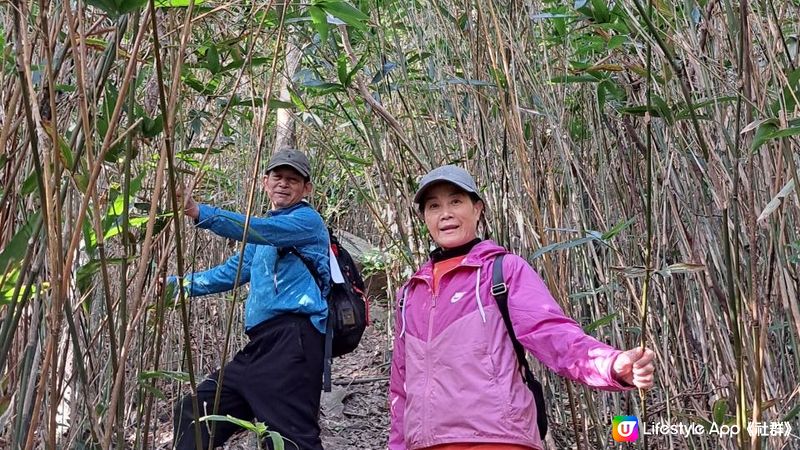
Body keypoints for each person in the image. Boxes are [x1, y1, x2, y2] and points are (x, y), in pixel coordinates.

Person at [388, 165, 656, 450]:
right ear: (425, 218)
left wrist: (610, 364)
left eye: (456, 201)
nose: (445, 213)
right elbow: (400, 385)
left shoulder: (503, 271)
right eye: (433, 206)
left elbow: (552, 333)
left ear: (477, 209)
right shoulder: (410, 293)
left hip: (497, 438)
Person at [169, 149, 330, 450]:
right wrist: (175, 287)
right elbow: (230, 272)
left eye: (293, 180)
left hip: (294, 342)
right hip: (260, 345)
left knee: (288, 439)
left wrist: (199, 212)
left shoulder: (306, 221)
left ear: (306, 188)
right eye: (278, 177)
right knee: (196, 412)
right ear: (265, 182)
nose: (283, 184)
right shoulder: (265, 236)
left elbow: (263, 230)